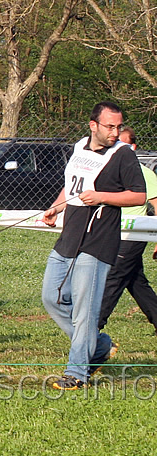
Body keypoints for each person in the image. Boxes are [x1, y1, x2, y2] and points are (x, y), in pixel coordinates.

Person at [41, 101, 146, 391]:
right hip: (69, 238)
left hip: (99, 241)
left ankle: (77, 373)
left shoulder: (123, 155)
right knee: (52, 298)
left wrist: (102, 197)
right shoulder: (79, 147)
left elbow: (139, 196)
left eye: (119, 126)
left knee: (85, 311)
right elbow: (73, 185)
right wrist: (56, 207)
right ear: (93, 126)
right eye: (110, 126)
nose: (115, 132)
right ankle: (99, 346)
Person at [98, 126, 157, 334]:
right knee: (135, 281)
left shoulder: (144, 173)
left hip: (134, 235)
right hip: (112, 232)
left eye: (123, 144)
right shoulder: (110, 171)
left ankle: (94, 324)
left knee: (114, 276)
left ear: (133, 147)